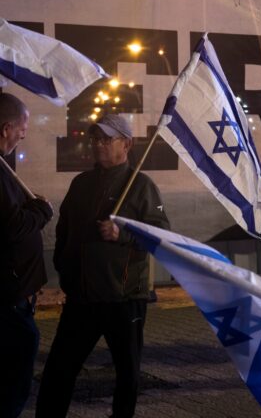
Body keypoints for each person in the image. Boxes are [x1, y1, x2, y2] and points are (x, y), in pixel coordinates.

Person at [36, 114, 170, 418]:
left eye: (106, 139)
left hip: (124, 299)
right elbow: (64, 229)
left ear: (127, 144)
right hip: (82, 299)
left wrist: (122, 235)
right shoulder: (81, 183)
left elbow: (161, 236)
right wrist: (65, 268)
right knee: (58, 370)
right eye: (95, 139)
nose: (98, 145)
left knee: (127, 374)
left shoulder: (141, 187)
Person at [0, 93, 53, 418]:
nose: (24, 133)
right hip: (7, 301)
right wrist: (41, 211)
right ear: (6, 128)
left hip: (13, 296)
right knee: (11, 383)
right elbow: (12, 226)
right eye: (23, 127)